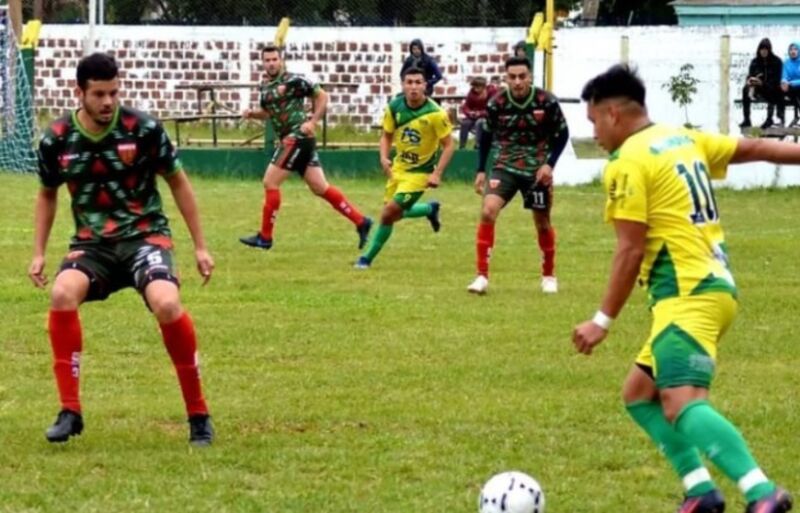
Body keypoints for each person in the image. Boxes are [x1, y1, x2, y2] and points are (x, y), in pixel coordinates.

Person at [574, 64, 794, 513]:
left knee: (680, 403)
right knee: (639, 394)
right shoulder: (682, 137)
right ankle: (701, 493)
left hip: (686, 295)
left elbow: (630, 250)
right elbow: (754, 147)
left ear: (613, 113)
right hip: (714, 287)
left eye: (594, 120)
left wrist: (602, 321)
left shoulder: (628, 162)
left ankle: (762, 493)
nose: (593, 131)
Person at [31, 53, 214, 446]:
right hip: (91, 245)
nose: (108, 102)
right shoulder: (56, 138)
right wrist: (39, 252)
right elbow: (47, 195)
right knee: (62, 294)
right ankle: (69, 411)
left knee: (167, 303)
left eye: (114, 92)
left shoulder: (144, 129)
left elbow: (179, 183)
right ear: (78, 92)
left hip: (145, 237)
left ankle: (198, 414)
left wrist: (200, 246)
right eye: (99, 94)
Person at [239, 44, 372, 250]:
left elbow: (322, 96)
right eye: (267, 60)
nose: (271, 63)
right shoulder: (264, 87)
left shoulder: (294, 80)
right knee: (320, 187)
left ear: (281, 60)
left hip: (298, 137)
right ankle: (361, 222)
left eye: (275, 59)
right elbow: (269, 113)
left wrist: (313, 121)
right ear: (263, 62)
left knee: (270, 182)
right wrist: (251, 114)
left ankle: (265, 238)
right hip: (293, 139)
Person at [467, 56, 569, 295]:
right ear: (506, 78)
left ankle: (549, 276)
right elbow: (485, 137)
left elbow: (563, 134)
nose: (517, 82)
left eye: (522, 76)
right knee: (487, 210)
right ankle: (481, 276)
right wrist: (481, 169)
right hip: (505, 166)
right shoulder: (496, 103)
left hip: (537, 170)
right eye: (512, 77)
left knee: (542, 222)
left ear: (530, 77)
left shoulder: (547, 101)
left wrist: (549, 165)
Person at [354, 67, 454, 269]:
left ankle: (366, 259)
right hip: (398, 170)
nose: (414, 87)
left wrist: (437, 173)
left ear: (425, 85)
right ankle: (429, 209)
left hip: (420, 174)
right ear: (403, 84)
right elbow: (386, 135)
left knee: (387, 214)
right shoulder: (394, 107)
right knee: (393, 213)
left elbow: (449, 145)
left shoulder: (436, 114)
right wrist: (383, 157)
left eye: (418, 82)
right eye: (409, 82)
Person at [740, 38, 784, 129]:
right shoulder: (755, 62)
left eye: (765, 49)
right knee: (745, 89)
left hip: (771, 88)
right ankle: (746, 119)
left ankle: (770, 119)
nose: (763, 52)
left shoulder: (777, 61)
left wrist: (763, 83)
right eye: (761, 49)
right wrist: (749, 81)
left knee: (776, 91)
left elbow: (777, 80)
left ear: (769, 50)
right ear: (759, 50)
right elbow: (750, 75)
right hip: (758, 89)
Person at [459, 76, 498, 149]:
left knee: (479, 123)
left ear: (483, 86)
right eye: (474, 87)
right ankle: (462, 146)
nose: (476, 89)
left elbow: (493, 108)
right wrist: (470, 112)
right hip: (474, 116)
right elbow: (466, 106)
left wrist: (480, 113)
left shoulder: (492, 91)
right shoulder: (472, 93)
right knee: (465, 123)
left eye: (478, 87)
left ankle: (478, 145)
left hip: (488, 116)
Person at [781, 42, 800, 127]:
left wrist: (792, 83)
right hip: (791, 89)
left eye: (795, 49)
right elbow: (784, 76)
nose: (793, 51)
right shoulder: (786, 63)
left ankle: (797, 119)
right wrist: (784, 81)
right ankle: (781, 121)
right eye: (791, 49)